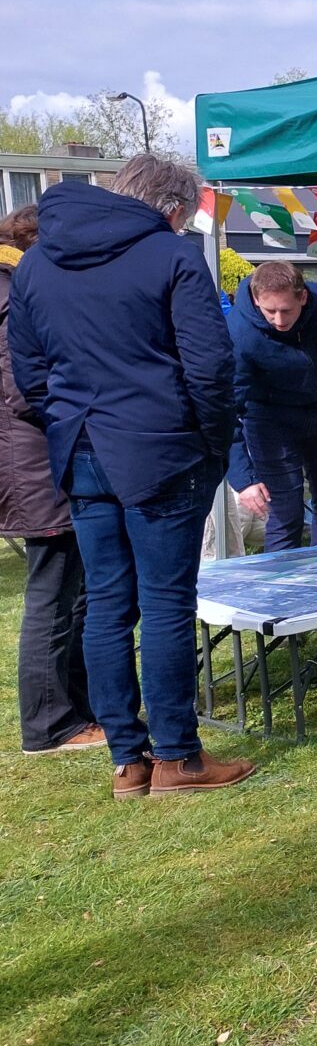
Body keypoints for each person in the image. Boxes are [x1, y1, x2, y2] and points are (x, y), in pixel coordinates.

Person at [7, 156, 254, 797]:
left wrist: (66, 423)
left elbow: (30, 374)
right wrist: (211, 440)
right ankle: (178, 757)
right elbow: (209, 365)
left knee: (108, 607)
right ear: (171, 208)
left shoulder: (35, 262)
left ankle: (129, 760)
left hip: (81, 449)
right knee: (165, 603)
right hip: (162, 450)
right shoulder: (171, 257)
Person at [0, 205, 103, 757]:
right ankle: (49, 724)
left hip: (40, 458)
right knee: (55, 591)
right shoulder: (13, 292)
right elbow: (24, 390)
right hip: (35, 462)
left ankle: (81, 709)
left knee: (75, 588)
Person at [226, 261, 317, 551]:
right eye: (270, 311)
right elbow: (226, 410)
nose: (278, 319)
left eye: (286, 310)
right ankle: (283, 590)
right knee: (286, 512)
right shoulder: (240, 335)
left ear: (302, 296)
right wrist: (244, 479)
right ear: (255, 300)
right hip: (268, 419)